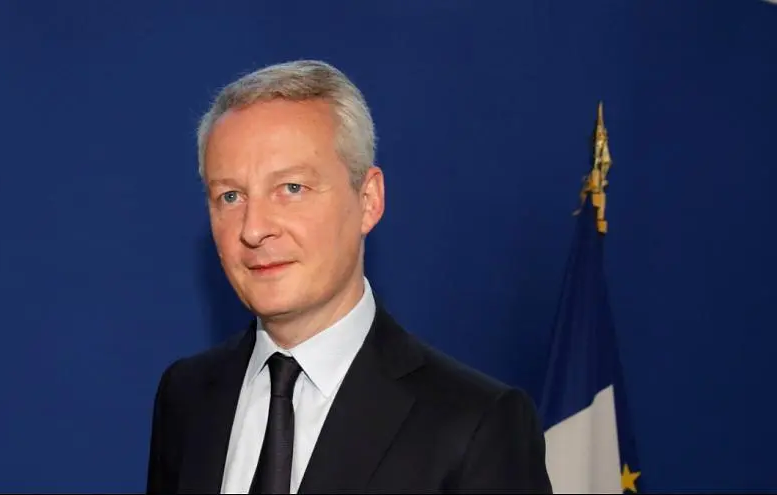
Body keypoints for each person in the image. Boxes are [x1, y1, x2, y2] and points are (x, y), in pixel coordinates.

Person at [145, 59, 552, 494]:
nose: (254, 228)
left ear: (369, 200)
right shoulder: (186, 396)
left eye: (292, 188)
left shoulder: (476, 424)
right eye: (230, 196)